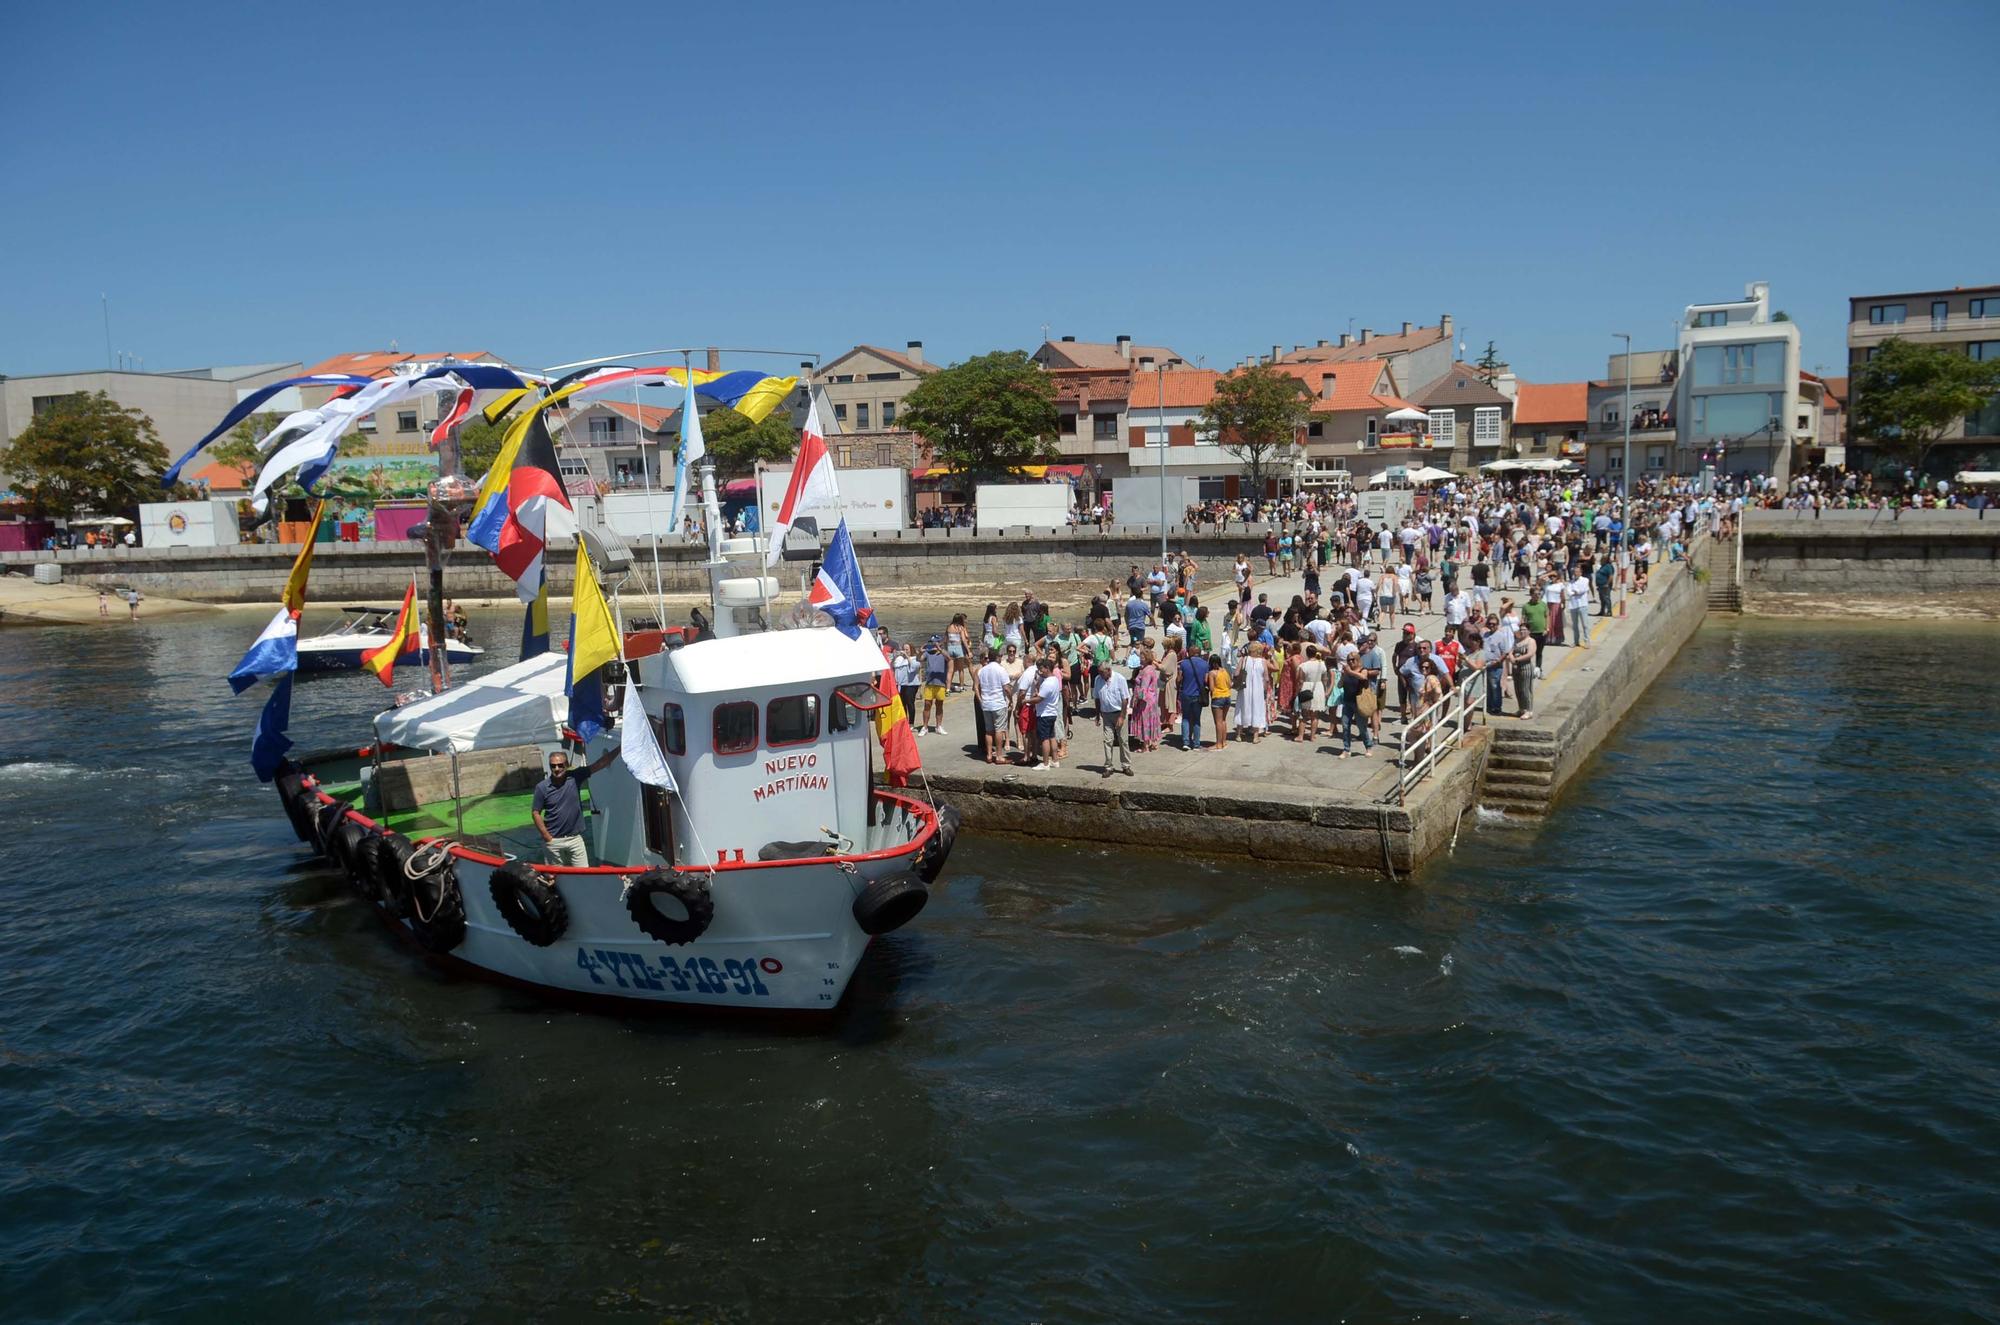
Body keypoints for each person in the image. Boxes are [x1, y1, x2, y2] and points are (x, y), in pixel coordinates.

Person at [533, 746, 620, 866]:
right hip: (553, 841)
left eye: (560, 765)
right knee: (557, 878)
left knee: (583, 875)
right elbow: (536, 812)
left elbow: (600, 764)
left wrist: (621, 748)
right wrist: (546, 836)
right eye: (553, 766)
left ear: (567, 764)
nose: (557, 769)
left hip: (575, 839)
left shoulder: (575, 777)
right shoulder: (542, 787)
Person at [1096, 660, 1133, 777]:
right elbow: (1097, 698)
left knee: (1123, 740)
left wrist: (1122, 716)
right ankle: (1108, 766)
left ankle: (1126, 765)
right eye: (1100, 672)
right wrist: (1097, 714)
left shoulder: (1120, 679)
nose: (1101, 675)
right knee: (1107, 740)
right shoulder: (1098, 680)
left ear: (1109, 670)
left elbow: (1125, 699)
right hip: (1106, 714)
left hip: (1118, 713)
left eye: (1102, 672)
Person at [976, 649, 1010, 764]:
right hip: (998, 703)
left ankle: (989, 755)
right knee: (999, 730)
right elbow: (1006, 687)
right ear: (998, 657)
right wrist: (1010, 699)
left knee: (989, 731)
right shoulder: (1001, 670)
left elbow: (978, 686)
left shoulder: (982, 671)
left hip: (986, 703)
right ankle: (999, 756)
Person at [1033, 662, 1064, 769]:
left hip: (1044, 714)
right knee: (1052, 737)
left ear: (1047, 668)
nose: (1040, 671)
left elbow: (1039, 699)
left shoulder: (1047, 683)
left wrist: (1026, 701)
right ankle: (1055, 761)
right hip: (1052, 713)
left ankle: (1045, 763)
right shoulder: (1055, 679)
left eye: (1041, 668)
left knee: (1044, 739)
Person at [1177, 649, 1210, 751]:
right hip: (1198, 695)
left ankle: (1186, 742)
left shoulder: (1184, 664)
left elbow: (1179, 679)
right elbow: (1206, 680)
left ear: (1189, 653)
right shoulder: (1205, 664)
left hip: (1186, 694)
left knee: (1186, 718)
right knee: (1196, 719)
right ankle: (1196, 744)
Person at [1132, 644, 1163, 753]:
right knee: (1152, 721)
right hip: (1152, 699)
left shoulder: (1146, 671)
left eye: (1143, 657)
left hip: (1145, 701)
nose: (1140, 659)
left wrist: (1136, 700)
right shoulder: (1150, 668)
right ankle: (1153, 742)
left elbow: (1143, 688)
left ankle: (1145, 746)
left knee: (1145, 722)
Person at [920, 638, 950, 735]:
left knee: (939, 705)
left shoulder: (943, 652)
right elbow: (919, 659)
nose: (934, 644)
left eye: (936, 642)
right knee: (927, 705)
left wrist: (940, 649)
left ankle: (939, 726)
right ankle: (925, 727)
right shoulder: (928, 653)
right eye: (933, 642)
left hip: (940, 683)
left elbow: (949, 658)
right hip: (929, 683)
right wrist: (919, 651)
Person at [1511, 628, 1538, 720]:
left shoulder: (1531, 641)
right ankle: (1521, 708)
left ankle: (1529, 710)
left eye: (1525, 630)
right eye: (1521, 630)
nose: (1522, 631)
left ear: (1529, 631)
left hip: (1525, 667)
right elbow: (1510, 652)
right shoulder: (1517, 641)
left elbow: (1530, 654)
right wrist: (1511, 658)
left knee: (1526, 689)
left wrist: (1518, 659)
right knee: (1518, 689)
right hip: (1515, 668)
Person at [1565, 567, 1591, 647]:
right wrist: (1575, 592)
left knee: (1585, 624)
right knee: (1575, 625)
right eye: (1574, 572)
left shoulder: (1585, 580)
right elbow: (1568, 592)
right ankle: (1576, 641)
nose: (1575, 573)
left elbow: (1584, 589)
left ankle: (1587, 641)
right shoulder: (1570, 582)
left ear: (1581, 572)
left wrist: (1577, 591)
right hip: (1573, 605)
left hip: (1582, 605)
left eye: (1577, 572)